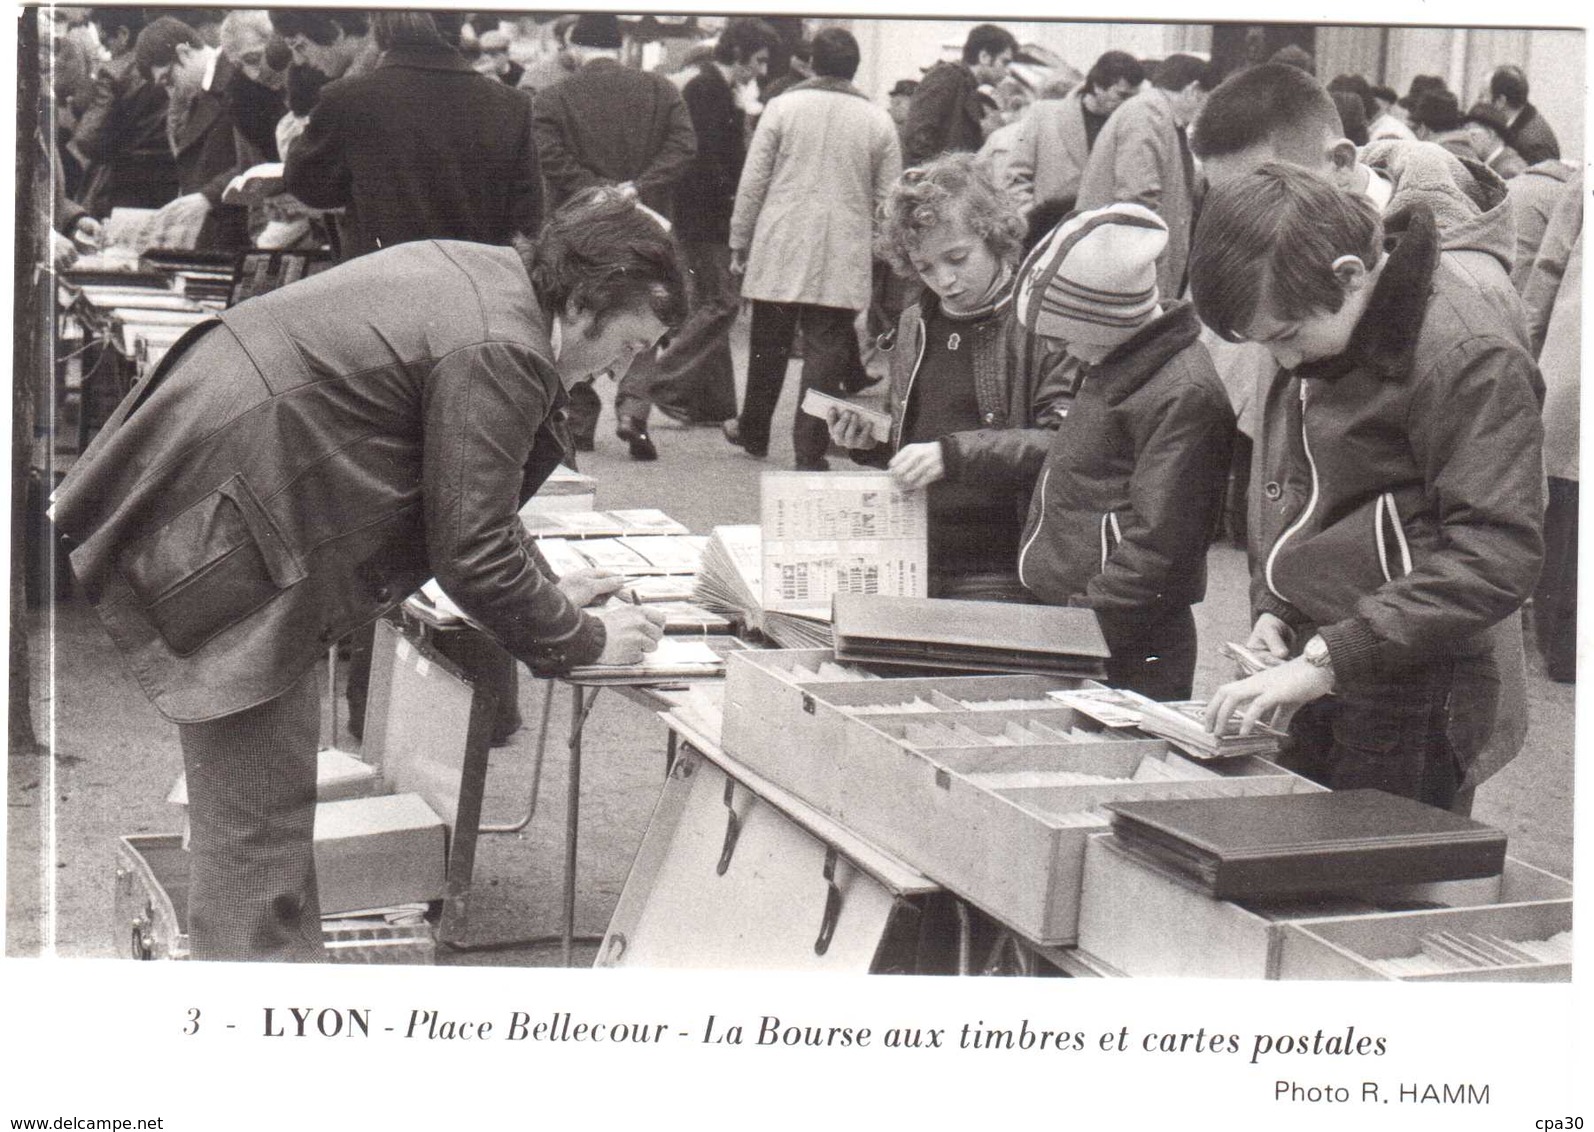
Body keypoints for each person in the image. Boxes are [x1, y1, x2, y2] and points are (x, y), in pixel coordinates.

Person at [49, 192, 684, 962]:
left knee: (259, 826)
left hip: (231, 485)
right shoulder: (504, 345)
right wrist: (585, 639)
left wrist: (548, 587)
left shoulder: (493, 282)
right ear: (586, 301)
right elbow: (473, 550)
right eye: (626, 346)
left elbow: (463, 492)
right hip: (237, 514)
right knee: (257, 839)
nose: (620, 373)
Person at [1189, 61, 1537, 814]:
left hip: (1412, 684)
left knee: (1374, 897)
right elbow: (1305, 486)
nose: (1279, 362)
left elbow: (1497, 549)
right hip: (1339, 656)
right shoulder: (1308, 302)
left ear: (1351, 273)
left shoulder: (1463, 341)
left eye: (1284, 339)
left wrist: (1328, 657)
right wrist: (1278, 607)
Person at [1014, 203, 1234, 699]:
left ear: (1104, 317)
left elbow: (1159, 549)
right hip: (1083, 619)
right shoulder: (1113, 358)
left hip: (1126, 640)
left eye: (1062, 335)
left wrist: (1080, 633)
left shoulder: (1183, 393)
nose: (1055, 350)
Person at [827, 154, 1070, 601]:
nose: (945, 279)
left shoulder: (1040, 324)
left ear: (993, 235)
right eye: (925, 267)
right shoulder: (916, 321)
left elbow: (1065, 442)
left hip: (1000, 562)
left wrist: (953, 455)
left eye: (957, 257)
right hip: (913, 549)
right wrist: (873, 445)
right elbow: (917, 439)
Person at [724, 27, 901, 470]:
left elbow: (754, 181)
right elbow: (889, 196)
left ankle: (754, 431)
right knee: (827, 352)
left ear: (812, 63)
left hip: (781, 239)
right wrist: (883, 251)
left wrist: (739, 240)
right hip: (844, 247)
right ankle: (809, 450)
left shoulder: (783, 107)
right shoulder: (878, 119)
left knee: (769, 344)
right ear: (854, 69)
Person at [531, 12, 698, 460]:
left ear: (576, 46)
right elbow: (683, 146)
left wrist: (596, 188)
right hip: (647, 220)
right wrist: (638, 186)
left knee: (582, 310)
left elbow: (548, 155)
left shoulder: (552, 97)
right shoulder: (662, 91)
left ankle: (580, 420)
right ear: (620, 45)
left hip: (580, 225)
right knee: (647, 311)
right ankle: (633, 410)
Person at [285, 10, 542, 262]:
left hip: (384, 282)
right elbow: (527, 218)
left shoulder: (348, 98)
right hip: (476, 284)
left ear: (380, 27)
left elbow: (305, 183)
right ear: (458, 22)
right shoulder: (512, 104)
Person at [649, 18, 779, 426]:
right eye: (758, 59)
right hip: (705, 216)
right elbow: (705, 160)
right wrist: (733, 197)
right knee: (722, 303)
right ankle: (658, 379)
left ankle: (715, 405)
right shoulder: (710, 91)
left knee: (707, 303)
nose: (760, 69)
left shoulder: (713, 88)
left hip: (697, 213)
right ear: (738, 53)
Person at [1075, 54, 1215, 301]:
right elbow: (1138, 198)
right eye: (1206, 101)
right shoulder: (1149, 113)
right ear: (1193, 90)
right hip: (1127, 275)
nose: (1203, 113)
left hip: (1130, 269)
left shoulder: (1160, 115)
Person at [1520, 172, 1582, 684]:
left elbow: (1547, 269)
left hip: (1576, 359)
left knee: (1565, 500)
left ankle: (1563, 642)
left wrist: (1526, 350)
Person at [133, 16, 251, 250]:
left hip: (243, 232)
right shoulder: (201, 94)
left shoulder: (239, 78)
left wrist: (207, 197)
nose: (170, 92)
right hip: (219, 233)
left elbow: (258, 158)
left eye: (168, 80)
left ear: (184, 52)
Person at [1004, 50, 1143, 224]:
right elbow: (1015, 177)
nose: (1128, 104)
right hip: (1047, 234)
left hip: (1102, 237)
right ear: (1098, 87)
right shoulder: (1043, 114)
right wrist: (1032, 220)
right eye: (1122, 95)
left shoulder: (1132, 127)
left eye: (1133, 98)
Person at [71, 8, 181, 217]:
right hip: (173, 178)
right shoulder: (170, 61)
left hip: (126, 185)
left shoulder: (113, 73)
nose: (106, 51)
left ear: (122, 34)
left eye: (106, 42)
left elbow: (87, 138)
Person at [902, 23, 1018, 167]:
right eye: (1004, 62)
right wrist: (933, 179)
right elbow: (917, 136)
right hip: (937, 184)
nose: (1007, 71)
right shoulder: (947, 76)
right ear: (984, 56)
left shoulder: (966, 87)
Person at [1489, 64, 1560, 165]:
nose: (1479, 102)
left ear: (1501, 101)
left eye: (1483, 96)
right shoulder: (1519, 120)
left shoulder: (1534, 145)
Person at [1462, 101, 1528, 180]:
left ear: (1490, 134)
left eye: (1472, 134)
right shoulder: (1501, 162)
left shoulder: (1508, 171)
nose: (1467, 140)